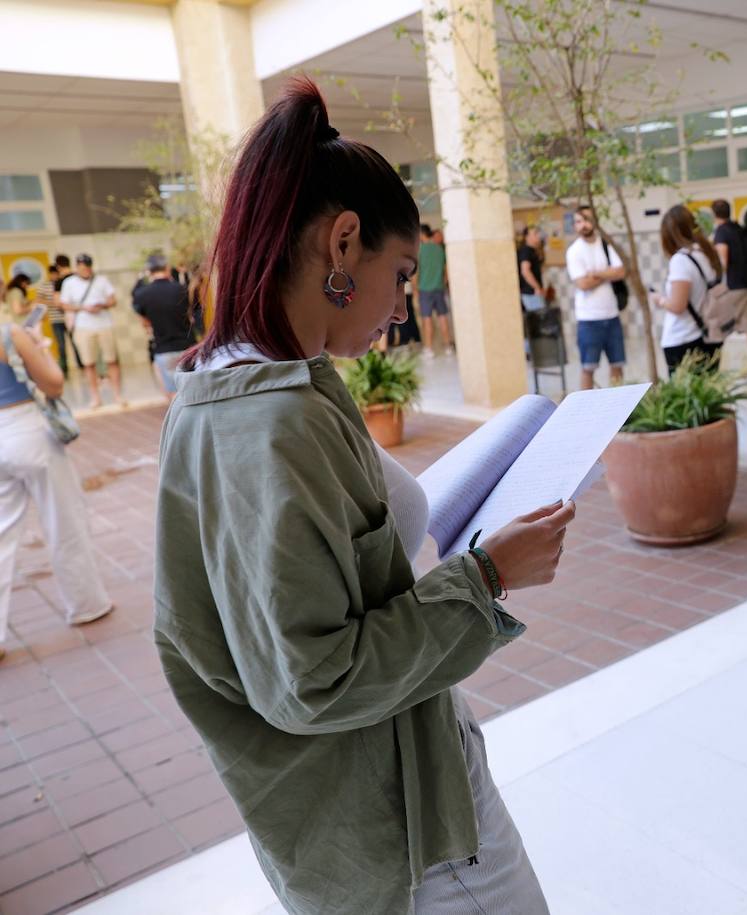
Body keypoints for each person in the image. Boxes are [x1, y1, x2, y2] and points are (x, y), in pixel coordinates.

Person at [154, 79, 568, 915]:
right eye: (403, 272)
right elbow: (314, 679)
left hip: (400, 791)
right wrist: (485, 579)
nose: (403, 306)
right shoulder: (268, 423)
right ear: (344, 243)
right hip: (402, 830)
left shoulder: (258, 385)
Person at [0, 316, 114, 662]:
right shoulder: (9, 332)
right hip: (27, 431)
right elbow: (54, 384)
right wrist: (39, 347)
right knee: (64, 520)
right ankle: (86, 604)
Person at [654, 204, 723, 375]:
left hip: (683, 339)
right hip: (709, 335)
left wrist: (659, 299)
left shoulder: (681, 260)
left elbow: (678, 306)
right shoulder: (706, 253)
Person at [565, 206, 627, 390]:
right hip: (588, 319)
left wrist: (595, 274)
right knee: (588, 368)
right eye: (578, 221)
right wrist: (607, 274)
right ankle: (586, 410)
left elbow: (621, 271)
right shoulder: (574, 251)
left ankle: (619, 410)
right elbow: (582, 284)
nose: (583, 225)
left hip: (612, 316)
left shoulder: (606, 245)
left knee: (617, 364)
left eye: (586, 219)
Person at [59, 253, 123, 407]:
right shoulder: (69, 283)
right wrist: (83, 307)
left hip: (104, 324)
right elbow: (64, 304)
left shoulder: (101, 280)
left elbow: (113, 300)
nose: (85, 270)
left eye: (87, 267)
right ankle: (95, 398)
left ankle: (117, 395)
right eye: (82, 267)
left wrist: (101, 305)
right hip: (83, 327)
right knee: (89, 364)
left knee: (112, 361)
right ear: (77, 267)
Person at [132, 253, 198, 401]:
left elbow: (145, 322)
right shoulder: (181, 289)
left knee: (174, 395)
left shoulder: (142, 294)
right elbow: (191, 316)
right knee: (194, 390)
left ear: (149, 271)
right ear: (167, 268)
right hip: (188, 346)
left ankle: (178, 423)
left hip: (163, 349)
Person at [710, 200, 747, 376]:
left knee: (718, 325)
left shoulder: (721, 232)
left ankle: (712, 366)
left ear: (714, 214)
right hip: (746, 284)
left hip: (732, 286)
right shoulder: (737, 228)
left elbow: (723, 261)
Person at [416, 223, 453, 358]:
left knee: (427, 320)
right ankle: (448, 346)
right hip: (439, 289)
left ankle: (429, 349)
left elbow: (416, 274)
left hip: (425, 290)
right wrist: (442, 282)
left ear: (421, 234)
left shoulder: (420, 250)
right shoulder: (439, 249)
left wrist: (415, 291)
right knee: (443, 317)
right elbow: (446, 269)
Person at [517, 225, 549, 313]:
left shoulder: (534, 251)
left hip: (534, 292)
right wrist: (537, 287)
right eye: (535, 234)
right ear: (527, 237)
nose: (538, 236)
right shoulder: (525, 251)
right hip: (530, 293)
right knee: (538, 320)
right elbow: (525, 271)